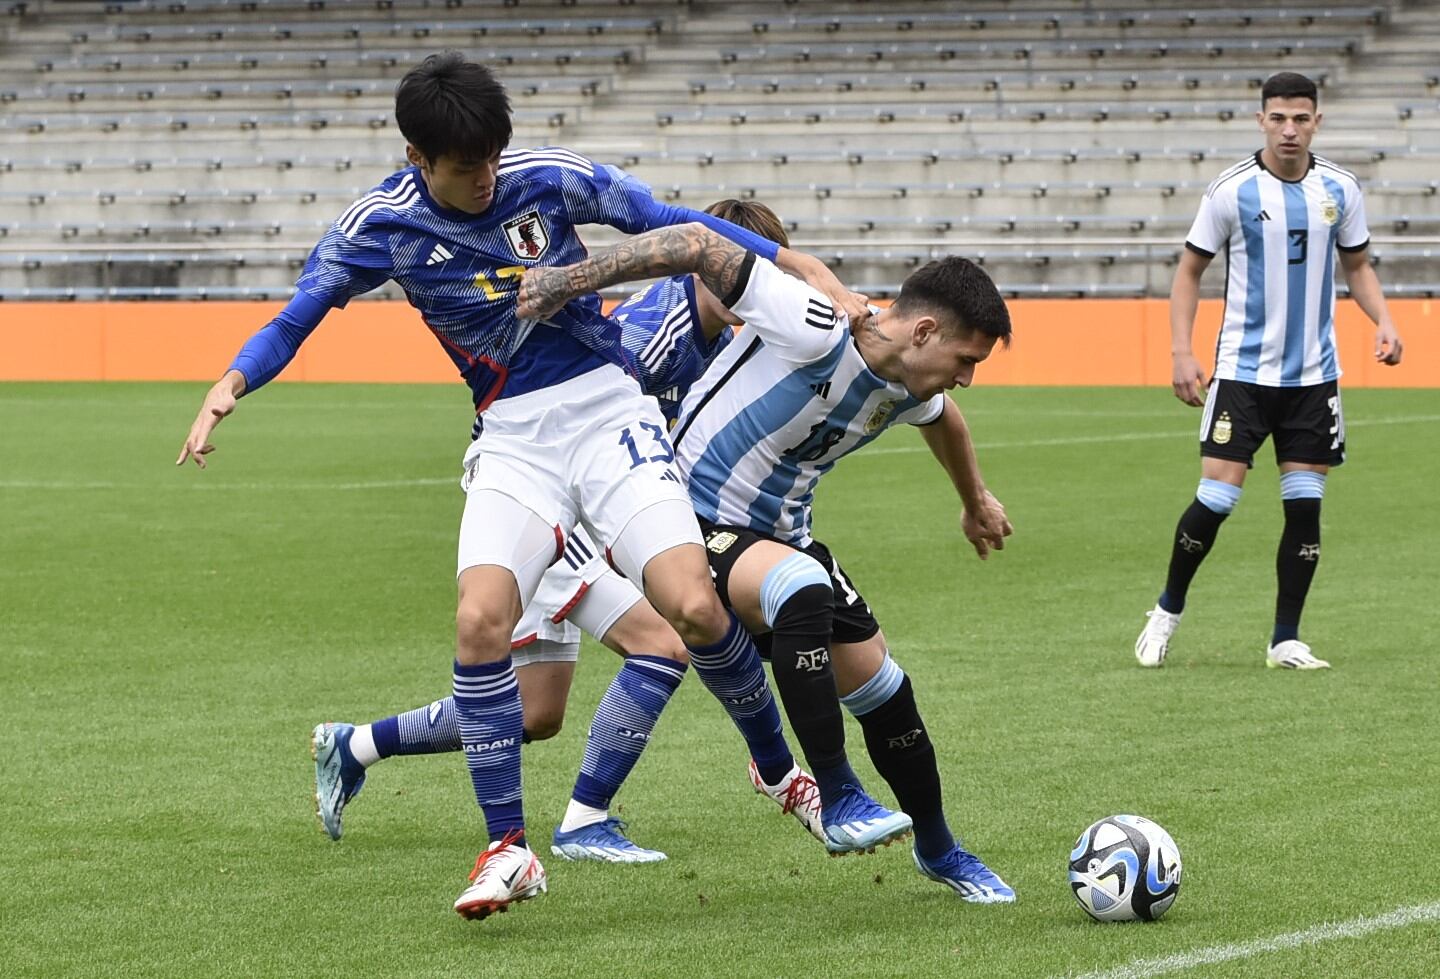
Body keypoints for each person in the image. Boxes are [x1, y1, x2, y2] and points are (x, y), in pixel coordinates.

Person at [176, 54, 861, 921]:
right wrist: (230, 383)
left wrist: (796, 265)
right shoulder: (377, 227)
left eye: (493, 159)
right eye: (467, 168)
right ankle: (510, 847)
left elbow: (674, 222)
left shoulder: (547, 179)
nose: (487, 178)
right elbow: (296, 317)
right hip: (511, 435)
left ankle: (778, 771)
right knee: (478, 619)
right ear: (420, 159)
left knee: (690, 604)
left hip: (605, 407)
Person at [311, 201, 826, 864]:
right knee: (665, 640)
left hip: (590, 494)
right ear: (701, 268)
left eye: (751, 277)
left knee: (534, 712)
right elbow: (580, 424)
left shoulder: (723, 337)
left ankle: (353, 745)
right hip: (556, 495)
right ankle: (585, 818)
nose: (740, 289)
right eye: (731, 272)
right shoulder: (658, 328)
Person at [518, 224, 1018, 903]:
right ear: (924, 331)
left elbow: (944, 417)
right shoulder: (817, 323)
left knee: (887, 693)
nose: (967, 375)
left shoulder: (907, 379)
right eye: (967, 357)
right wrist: (566, 281)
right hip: (682, 518)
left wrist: (976, 500)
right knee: (800, 588)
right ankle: (836, 794)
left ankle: (938, 848)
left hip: (781, 535)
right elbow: (696, 244)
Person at [1135, 71, 1404, 671]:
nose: (1289, 129)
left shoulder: (1340, 189)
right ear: (1261, 120)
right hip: (1243, 374)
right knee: (1216, 498)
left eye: (1300, 118)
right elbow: (1188, 272)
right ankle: (1166, 611)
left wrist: (1382, 320)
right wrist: (1182, 351)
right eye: (1278, 118)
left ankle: (1286, 639)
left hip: (1314, 378)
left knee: (1304, 507)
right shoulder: (1232, 190)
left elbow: (1357, 265)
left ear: (1317, 121)